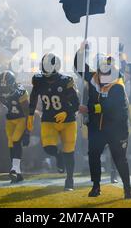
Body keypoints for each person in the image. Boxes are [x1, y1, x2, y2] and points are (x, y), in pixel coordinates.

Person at [74, 43, 131, 199]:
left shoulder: (118, 86)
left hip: (116, 128)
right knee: (93, 155)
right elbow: (79, 66)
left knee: (120, 158)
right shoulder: (94, 78)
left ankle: (127, 188)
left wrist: (89, 109)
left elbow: (111, 108)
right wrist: (82, 51)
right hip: (97, 127)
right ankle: (96, 186)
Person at [28, 53, 79, 191]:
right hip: (49, 119)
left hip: (68, 120)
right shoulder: (39, 80)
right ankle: (58, 156)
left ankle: (69, 180)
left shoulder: (65, 80)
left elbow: (76, 103)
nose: (46, 75)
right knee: (48, 147)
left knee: (69, 151)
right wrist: (30, 114)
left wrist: (66, 112)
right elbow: (33, 97)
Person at [0, 70, 30, 183]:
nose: (4, 91)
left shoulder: (20, 92)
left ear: (12, 85)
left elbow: (28, 112)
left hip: (21, 118)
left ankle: (14, 169)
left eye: (6, 88)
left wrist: (27, 131)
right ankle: (18, 173)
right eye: (2, 88)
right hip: (10, 120)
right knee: (11, 144)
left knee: (16, 140)